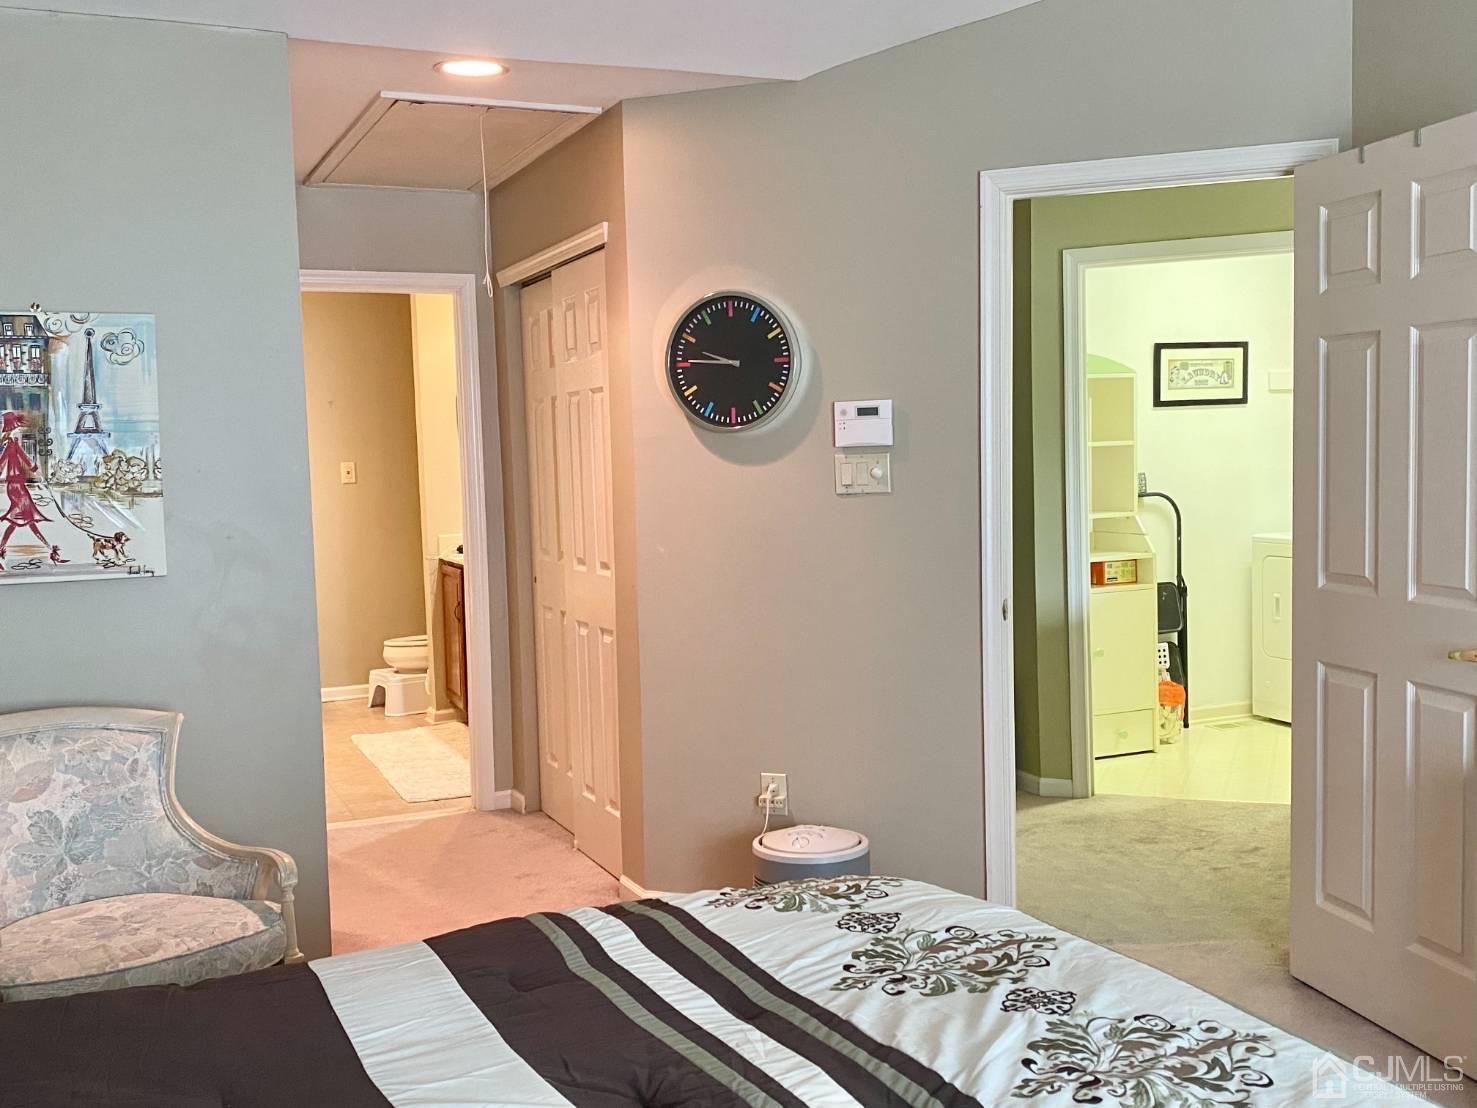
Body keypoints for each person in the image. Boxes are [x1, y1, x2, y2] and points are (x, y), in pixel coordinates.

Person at [0, 410, 51, 559]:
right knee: (25, 517)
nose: (18, 428)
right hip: (15, 485)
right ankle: (48, 546)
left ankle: (48, 546)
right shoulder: (11, 443)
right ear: (12, 427)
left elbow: (8, 460)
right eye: (17, 426)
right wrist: (35, 469)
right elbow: (13, 459)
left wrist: (34, 468)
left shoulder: (10, 442)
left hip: (16, 484)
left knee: (24, 518)